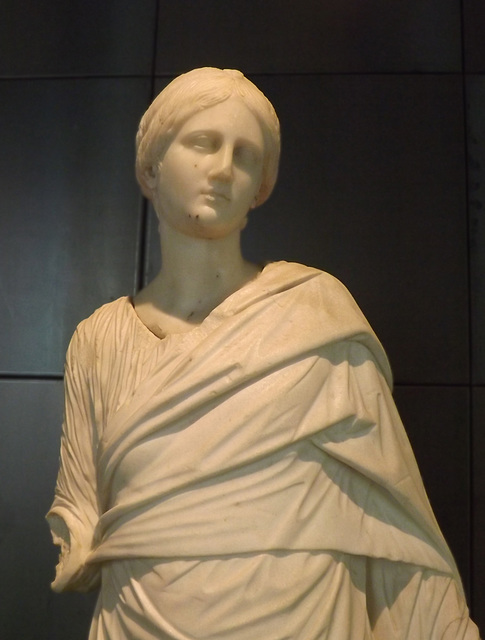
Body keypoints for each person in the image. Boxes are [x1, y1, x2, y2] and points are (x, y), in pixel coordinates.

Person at [47, 67, 480, 639]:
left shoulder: (315, 315)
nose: (223, 167)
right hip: (139, 620)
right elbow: (82, 511)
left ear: (261, 187)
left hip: (302, 620)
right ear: (151, 167)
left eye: (245, 155)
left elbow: (391, 510)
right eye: (202, 143)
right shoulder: (99, 341)